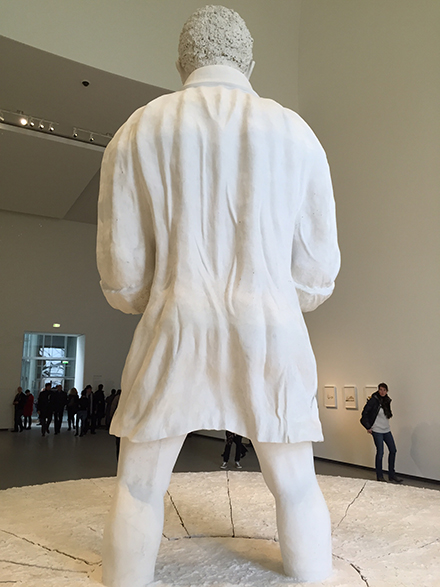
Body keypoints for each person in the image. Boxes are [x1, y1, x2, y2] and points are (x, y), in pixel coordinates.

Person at [97, 6, 340, 586]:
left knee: (138, 483)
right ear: (248, 61)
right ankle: (311, 574)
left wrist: (162, 295)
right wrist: (274, 295)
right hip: (271, 328)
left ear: (182, 61)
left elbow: (123, 276)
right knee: (296, 482)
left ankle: (126, 578)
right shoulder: (296, 134)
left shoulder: (137, 131)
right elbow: (317, 274)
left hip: (173, 324)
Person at [360, 382, 403, 483]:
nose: (382, 392)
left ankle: (391, 475)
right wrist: (368, 426)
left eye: (384, 390)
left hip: (386, 429)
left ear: (387, 391)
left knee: (393, 450)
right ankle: (379, 476)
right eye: (380, 389)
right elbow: (364, 414)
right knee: (380, 452)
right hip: (377, 430)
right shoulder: (373, 400)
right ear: (378, 390)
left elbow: (387, 415)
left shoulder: (387, 401)